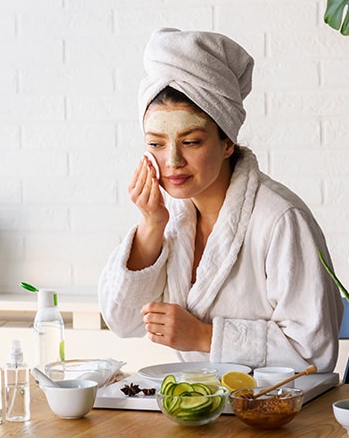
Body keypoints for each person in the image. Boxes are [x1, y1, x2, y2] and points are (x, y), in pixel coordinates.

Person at [98, 28, 343, 373]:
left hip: (281, 416)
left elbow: (313, 354)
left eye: (192, 142)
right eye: (156, 144)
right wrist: (150, 225)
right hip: (203, 408)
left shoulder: (280, 219)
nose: (172, 161)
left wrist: (204, 337)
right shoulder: (173, 221)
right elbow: (122, 322)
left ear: (227, 143)